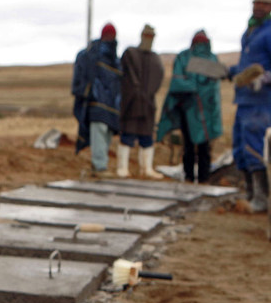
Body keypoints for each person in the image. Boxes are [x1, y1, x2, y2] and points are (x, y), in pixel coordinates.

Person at [226, 0, 271, 212]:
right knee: (241, 149)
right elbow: (247, 65)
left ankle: (262, 198)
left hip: (262, 102)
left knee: (254, 147)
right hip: (244, 100)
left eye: (264, 4)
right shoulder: (252, 32)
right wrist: (233, 72)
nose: (258, 7)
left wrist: (267, 78)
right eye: (256, 3)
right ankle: (251, 192)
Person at [156, 30, 224, 183]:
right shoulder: (211, 58)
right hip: (202, 110)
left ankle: (190, 176)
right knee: (202, 146)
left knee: (190, 145)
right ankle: (202, 178)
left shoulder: (185, 57)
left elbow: (178, 83)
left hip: (189, 109)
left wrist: (193, 91)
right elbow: (213, 86)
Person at [71, 22, 122, 178]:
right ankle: (99, 166)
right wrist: (86, 92)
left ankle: (101, 165)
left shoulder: (114, 58)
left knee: (105, 135)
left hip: (110, 105)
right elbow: (82, 75)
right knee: (99, 133)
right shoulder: (92, 54)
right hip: (96, 103)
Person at [117, 24, 165, 179]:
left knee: (147, 137)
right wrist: (135, 93)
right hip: (132, 103)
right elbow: (127, 77)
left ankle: (146, 168)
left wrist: (147, 95)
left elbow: (158, 79)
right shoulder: (131, 54)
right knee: (128, 135)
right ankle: (122, 167)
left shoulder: (155, 59)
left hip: (147, 104)